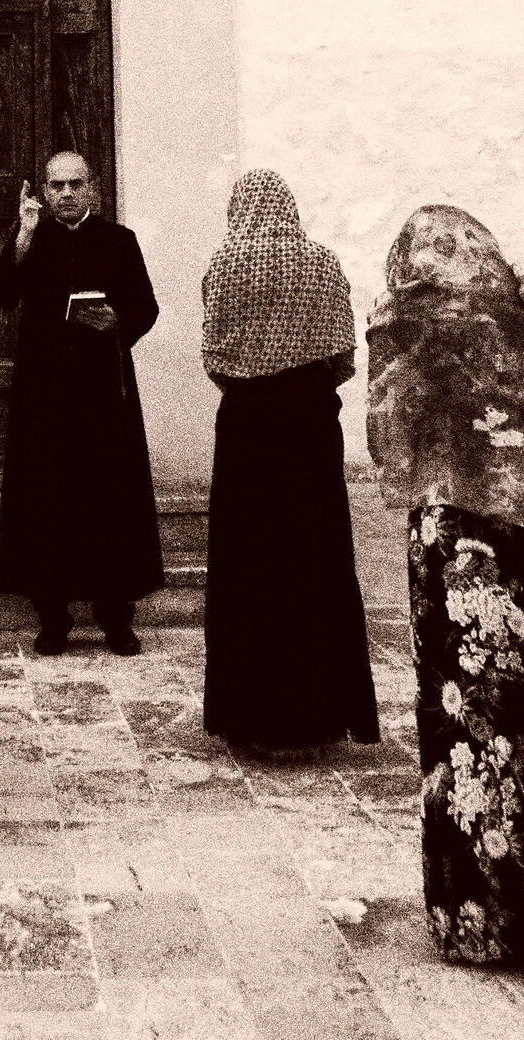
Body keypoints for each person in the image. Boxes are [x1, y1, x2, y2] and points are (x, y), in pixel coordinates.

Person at [366, 203, 524, 974]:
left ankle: (486, 920)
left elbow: (387, 436)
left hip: (461, 547)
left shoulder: (408, 321)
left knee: (476, 732)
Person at [200, 169, 379, 750]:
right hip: (308, 427)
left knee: (249, 560)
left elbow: (215, 358)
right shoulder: (323, 263)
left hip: (249, 427)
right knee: (314, 555)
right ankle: (319, 710)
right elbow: (344, 355)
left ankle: (251, 714)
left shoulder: (226, 264)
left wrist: (254, 374)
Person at [0, 151, 163, 654]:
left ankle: (115, 617)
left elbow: (146, 306)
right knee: (46, 500)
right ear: (44, 190)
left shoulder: (118, 241)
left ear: (92, 188)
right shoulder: (31, 241)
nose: (64, 193)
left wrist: (117, 323)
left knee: (110, 499)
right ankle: (53, 617)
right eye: (55, 185)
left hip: (105, 392)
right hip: (45, 394)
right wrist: (21, 235)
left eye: (74, 184)